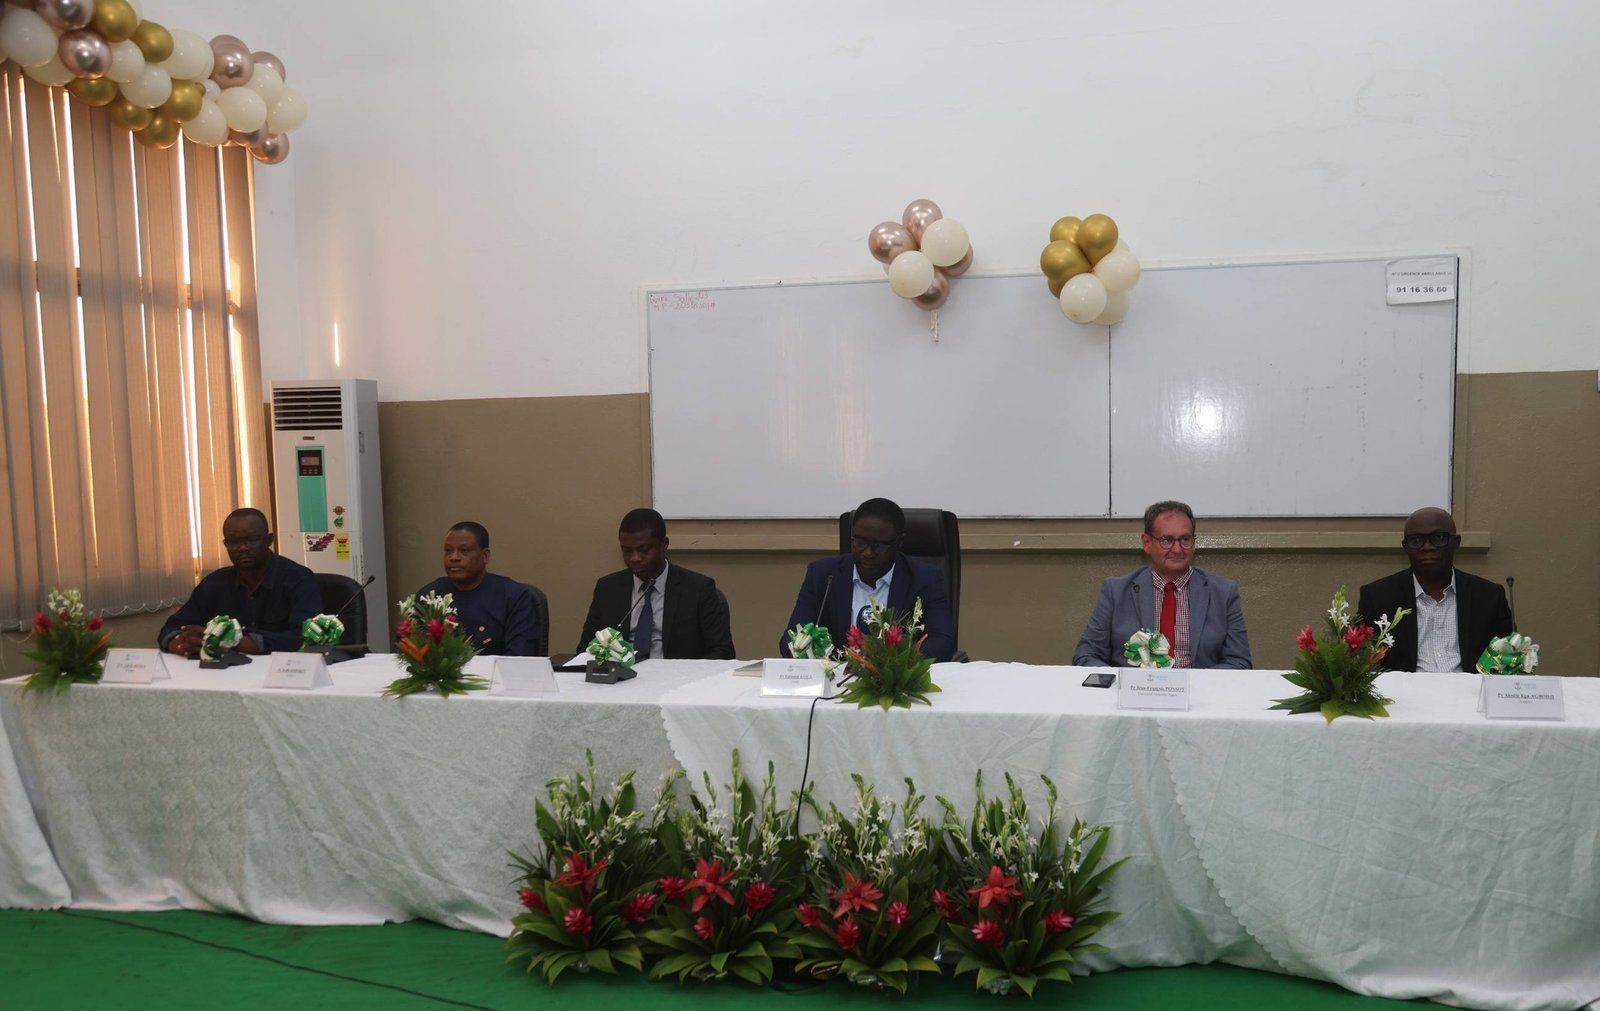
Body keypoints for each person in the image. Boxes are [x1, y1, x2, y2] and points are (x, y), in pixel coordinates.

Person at [1073, 500, 1252, 669]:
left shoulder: (1223, 592)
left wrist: (1196, 685)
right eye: (1167, 540)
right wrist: (1123, 682)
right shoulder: (1116, 591)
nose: (1177, 549)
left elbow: (1239, 662)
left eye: (1185, 539)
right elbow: (1086, 655)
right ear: (1147, 543)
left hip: (1198, 696)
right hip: (1135, 694)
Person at [779, 497, 956, 663]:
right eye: (860, 542)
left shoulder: (925, 578)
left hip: (895, 686)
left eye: (879, 545)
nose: (867, 553)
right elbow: (793, 635)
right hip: (834, 682)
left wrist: (887, 665)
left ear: (899, 542)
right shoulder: (823, 575)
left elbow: (942, 643)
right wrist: (802, 652)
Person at [1356, 507, 1512, 672]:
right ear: (1405, 546)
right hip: (1405, 694)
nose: (1427, 547)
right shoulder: (1377, 597)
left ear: (1456, 542)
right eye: (1416, 540)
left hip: (1470, 693)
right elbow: (1360, 661)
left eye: (1438, 538)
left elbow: (1509, 659)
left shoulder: (1489, 596)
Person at [159, 508, 321, 657]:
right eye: (234, 542)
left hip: (282, 673)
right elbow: (173, 626)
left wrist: (239, 643)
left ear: (269, 540)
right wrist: (180, 642)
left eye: (252, 539)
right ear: (225, 544)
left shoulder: (298, 579)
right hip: (225, 675)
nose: (243, 548)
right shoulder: (214, 583)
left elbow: (306, 637)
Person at [577, 508, 735, 660]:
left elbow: (722, 652)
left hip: (677, 679)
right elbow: (585, 649)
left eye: (644, 549)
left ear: (664, 544)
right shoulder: (607, 589)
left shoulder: (698, 589)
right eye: (627, 551)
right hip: (620, 680)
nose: (635, 558)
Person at [416, 521, 538, 656]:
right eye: (448, 551)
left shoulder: (514, 597)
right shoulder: (429, 596)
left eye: (464, 550)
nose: (454, 557)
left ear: (485, 556)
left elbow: (519, 659)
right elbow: (407, 653)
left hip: (496, 676)